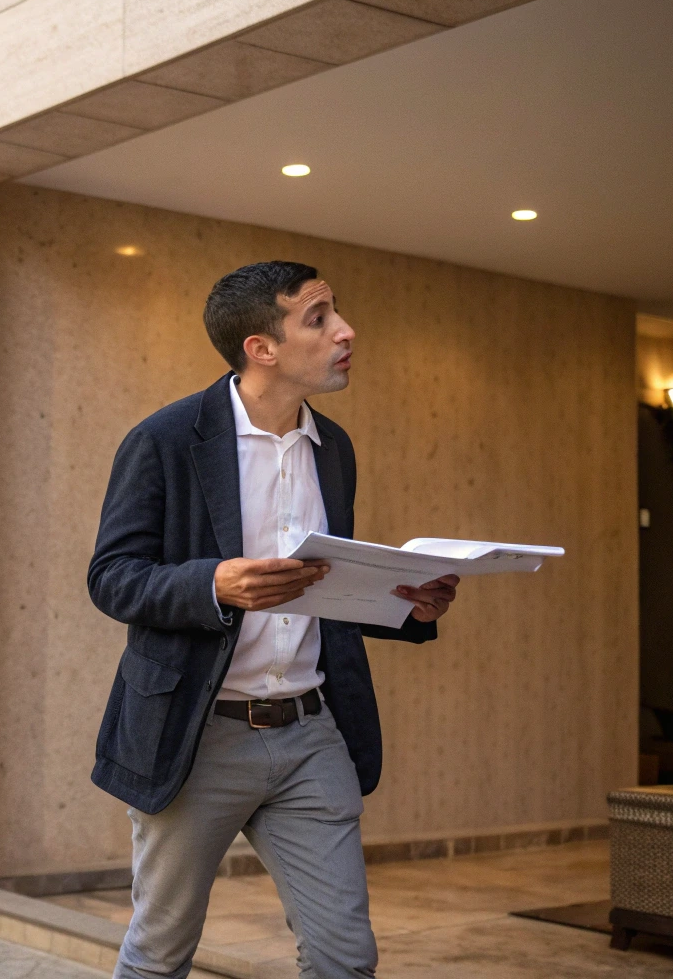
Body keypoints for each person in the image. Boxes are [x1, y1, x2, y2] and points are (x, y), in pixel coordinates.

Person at [88, 262, 461, 979]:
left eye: (336, 313)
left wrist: (405, 606)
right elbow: (111, 578)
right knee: (160, 952)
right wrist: (216, 584)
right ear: (262, 347)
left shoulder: (335, 448)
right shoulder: (165, 440)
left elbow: (323, 588)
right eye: (318, 319)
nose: (345, 331)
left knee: (345, 959)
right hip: (197, 738)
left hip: (312, 734)